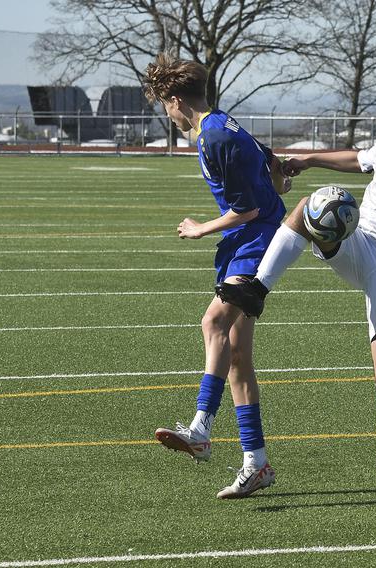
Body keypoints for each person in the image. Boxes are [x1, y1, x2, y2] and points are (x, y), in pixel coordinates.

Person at [218, 85, 376, 498]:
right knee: (310, 205)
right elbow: (355, 159)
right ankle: (258, 288)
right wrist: (306, 159)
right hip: (361, 245)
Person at [142, 53, 289, 499]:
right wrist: (278, 181)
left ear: (173, 100)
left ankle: (201, 428)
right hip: (247, 239)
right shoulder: (225, 124)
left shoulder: (213, 137)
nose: (167, 116)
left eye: (164, 107)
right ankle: (256, 463)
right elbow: (271, 162)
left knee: (214, 323)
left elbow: (247, 208)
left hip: (254, 241)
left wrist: (199, 228)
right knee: (238, 356)